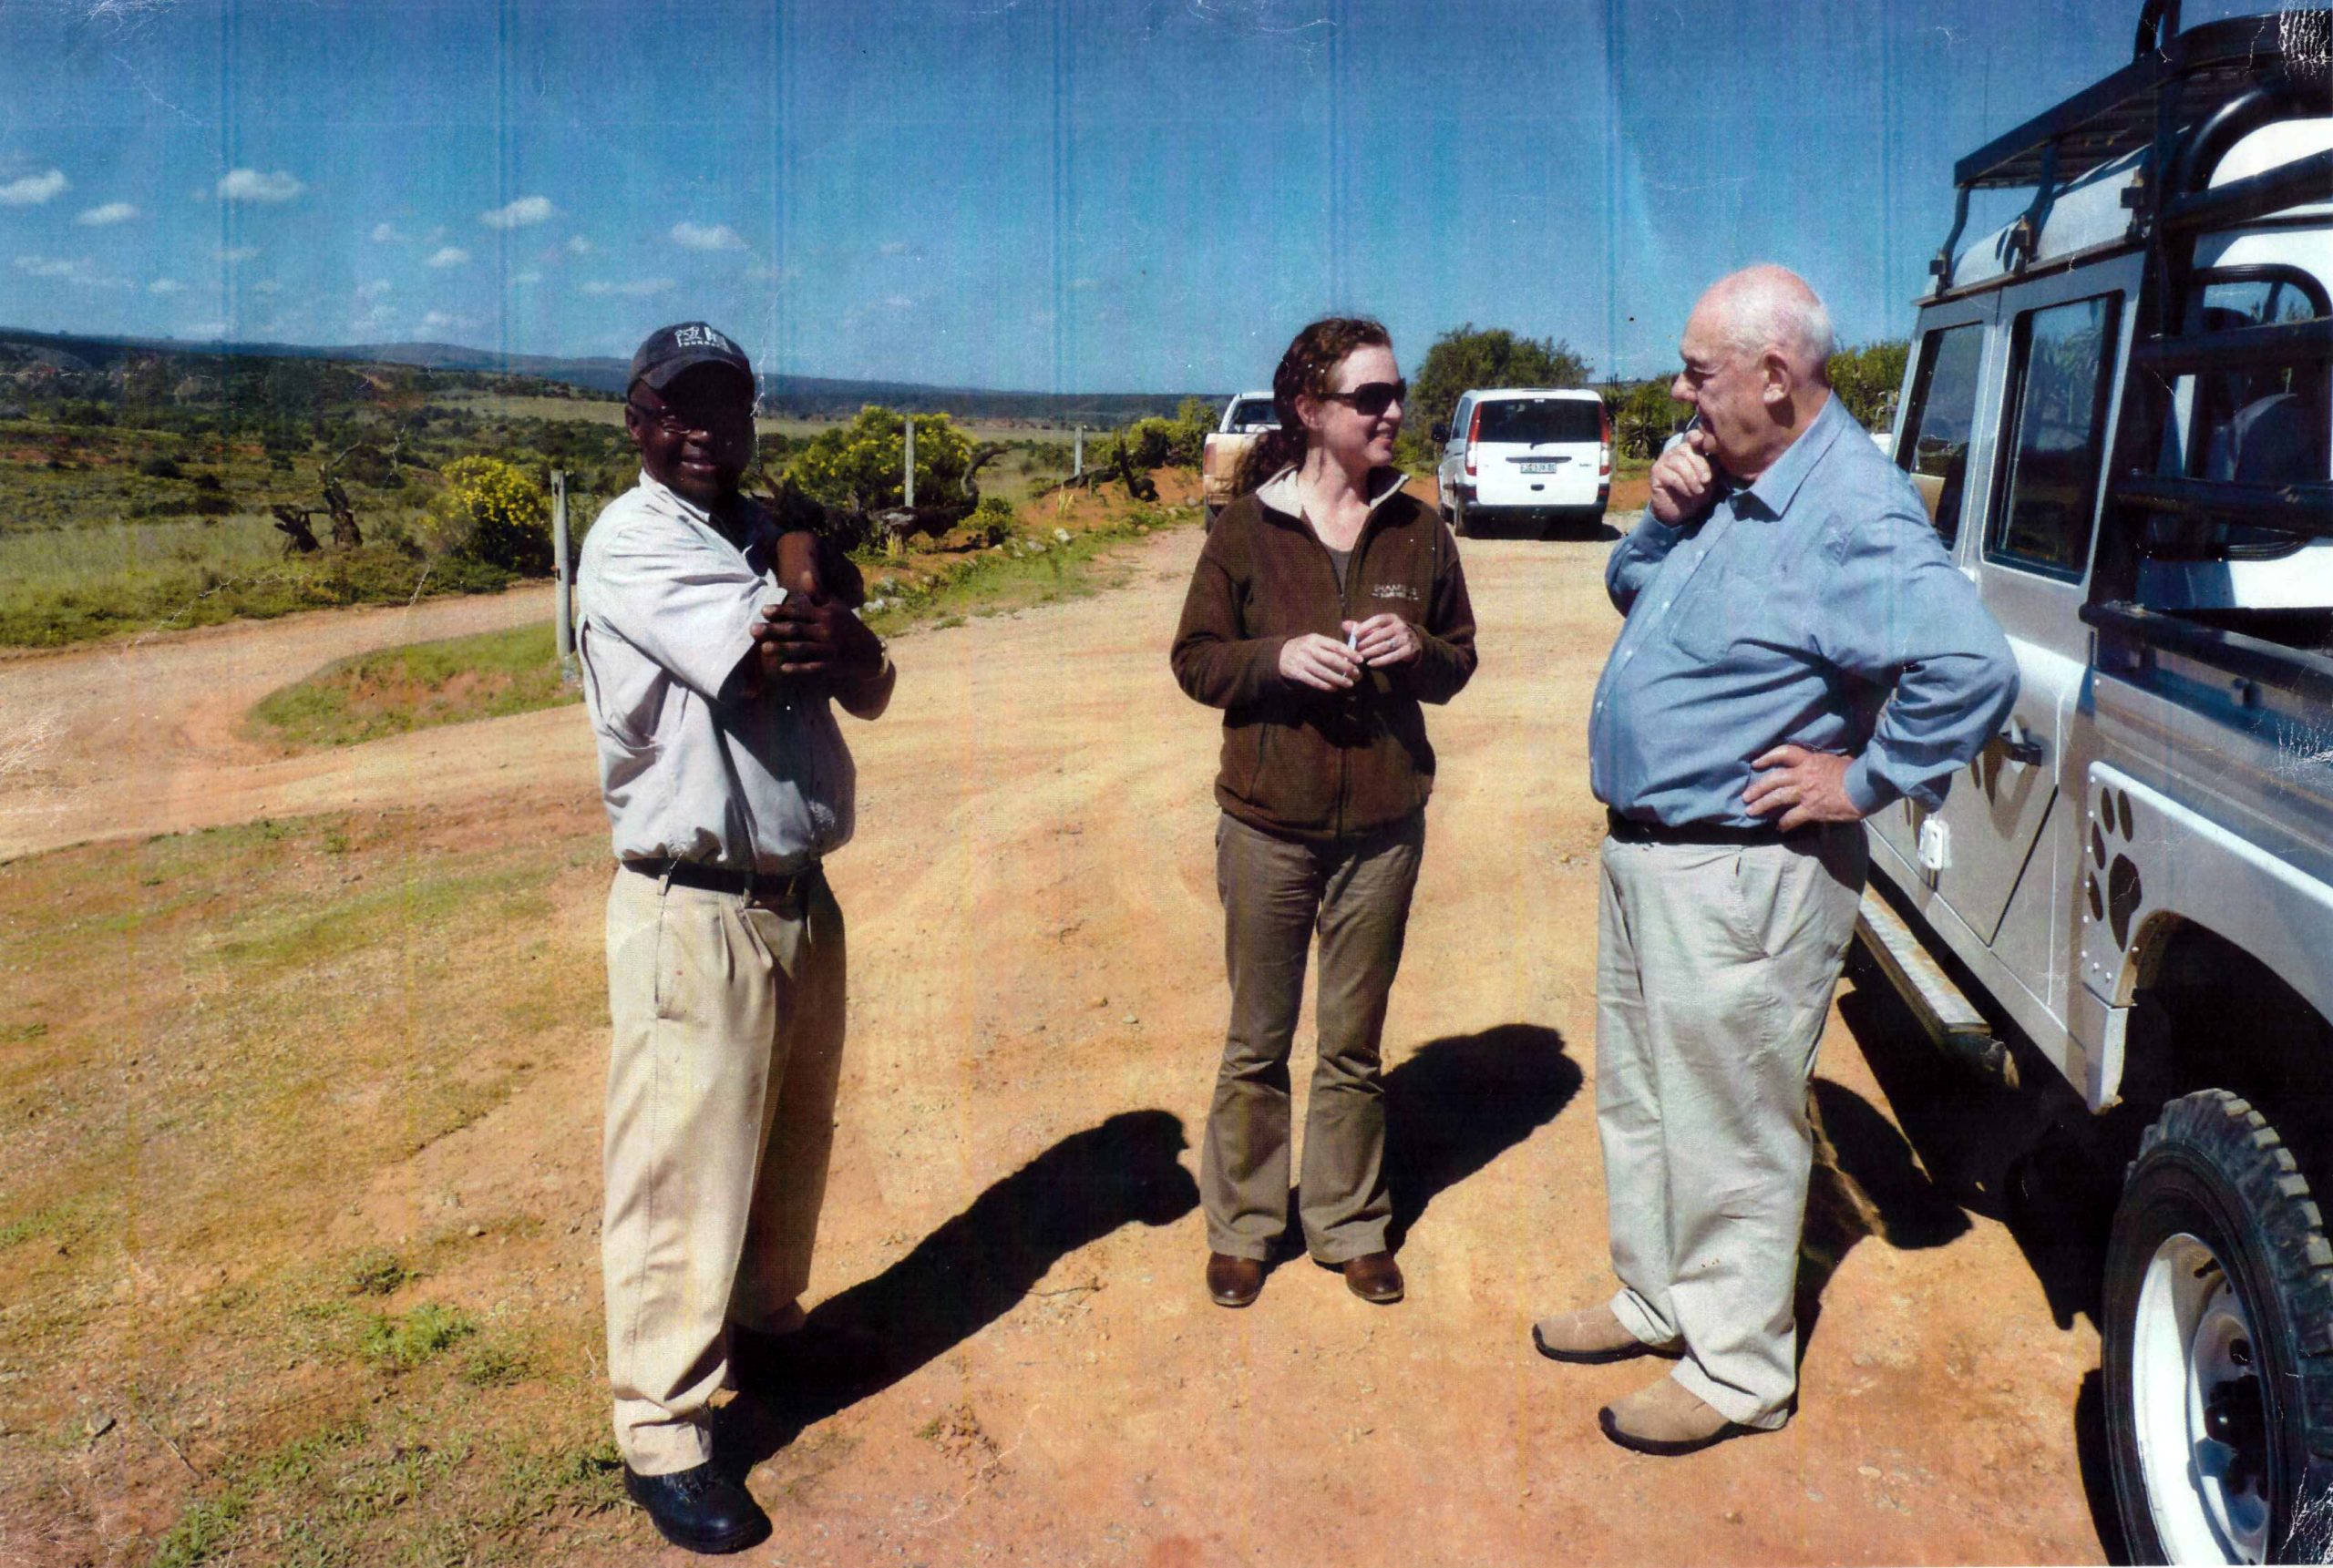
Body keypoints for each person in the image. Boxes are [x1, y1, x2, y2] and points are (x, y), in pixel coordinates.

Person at [1535, 267, 2017, 1455]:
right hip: (1658, 853)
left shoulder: (1849, 505)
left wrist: (1859, 781)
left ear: (1776, 377)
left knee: (1730, 1122)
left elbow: (1973, 666)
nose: (1680, 389)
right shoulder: (1741, 481)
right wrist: (1661, 518)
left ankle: (1738, 1368)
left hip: (1744, 865)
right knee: (1650, 1098)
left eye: (1699, 371)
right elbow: (1636, 595)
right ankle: (1661, 1302)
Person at [578, 321, 893, 1553]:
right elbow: (772, 658)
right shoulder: (636, 538)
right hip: (693, 896)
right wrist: (817, 561)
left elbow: (865, 677)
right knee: (678, 1169)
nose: (704, 427)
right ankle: (661, 1426)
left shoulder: (751, 535)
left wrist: (826, 589)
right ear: (639, 417)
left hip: (801, 887)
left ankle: (768, 1327)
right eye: (680, 405)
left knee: (785, 1144)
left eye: (728, 403)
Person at [1170, 316, 1477, 1311]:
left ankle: (1348, 1222)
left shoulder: (1418, 526)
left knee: (1352, 1039)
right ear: (1311, 410)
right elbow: (1196, 659)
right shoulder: (1246, 528)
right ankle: (1246, 1226)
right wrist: (1275, 658)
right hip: (1267, 824)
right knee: (1257, 1038)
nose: (1394, 411)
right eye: (1370, 397)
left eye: (1396, 393)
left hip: (1383, 829)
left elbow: (1458, 660)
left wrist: (1415, 648)